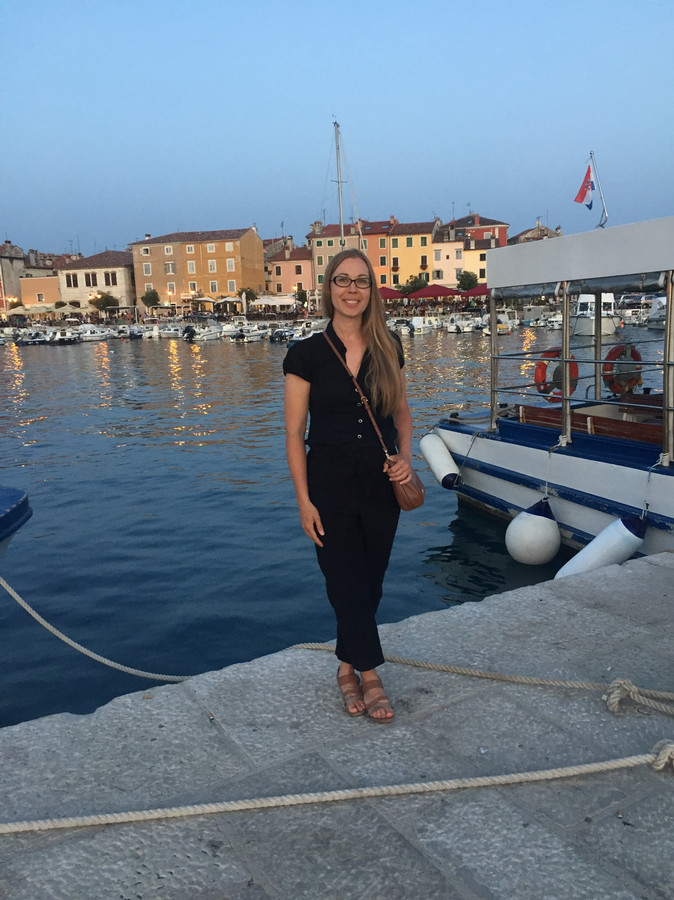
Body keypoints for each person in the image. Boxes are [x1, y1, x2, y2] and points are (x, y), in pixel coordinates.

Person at [283, 249, 414, 723]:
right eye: (343, 280)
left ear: (371, 290)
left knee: (370, 580)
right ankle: (371, 673)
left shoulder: (388, 346)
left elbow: (400, 415)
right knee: (343, 579)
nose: (352, 290)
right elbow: (294, 434)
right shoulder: (305, 355)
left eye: (361, 281)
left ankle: (345, 666)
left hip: (381, 486)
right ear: (329, 289)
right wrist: (303, 501)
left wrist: (406, 459)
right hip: (328, 487)